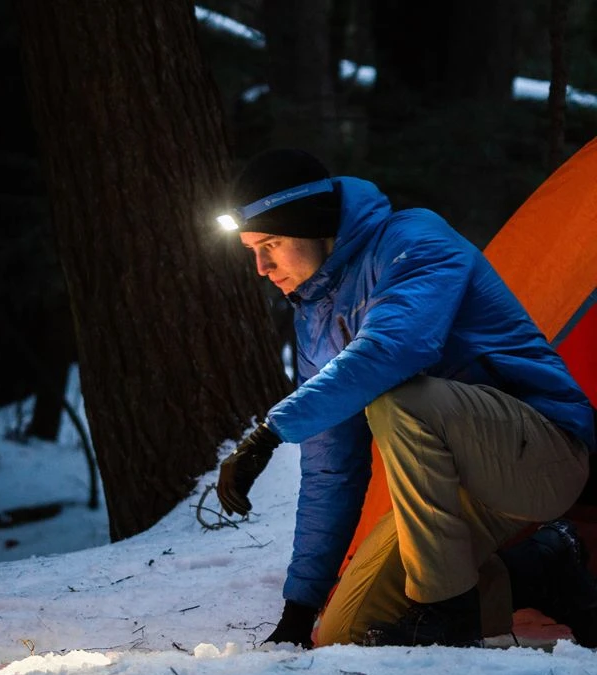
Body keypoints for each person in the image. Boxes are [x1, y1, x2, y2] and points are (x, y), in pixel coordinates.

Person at [215, 148, 595, 648]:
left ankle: (448, 609)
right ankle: (539, 569)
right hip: (451, 493)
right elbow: (332, 470)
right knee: (345, 631)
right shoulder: (314, 317)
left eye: (272, 244)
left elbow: (394, 349)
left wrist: (270, 432)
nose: (262, 267)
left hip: (542, 455)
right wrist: (298, 609)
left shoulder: (415, 240)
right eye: (252, 250)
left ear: (312, 226)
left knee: (397, 399)